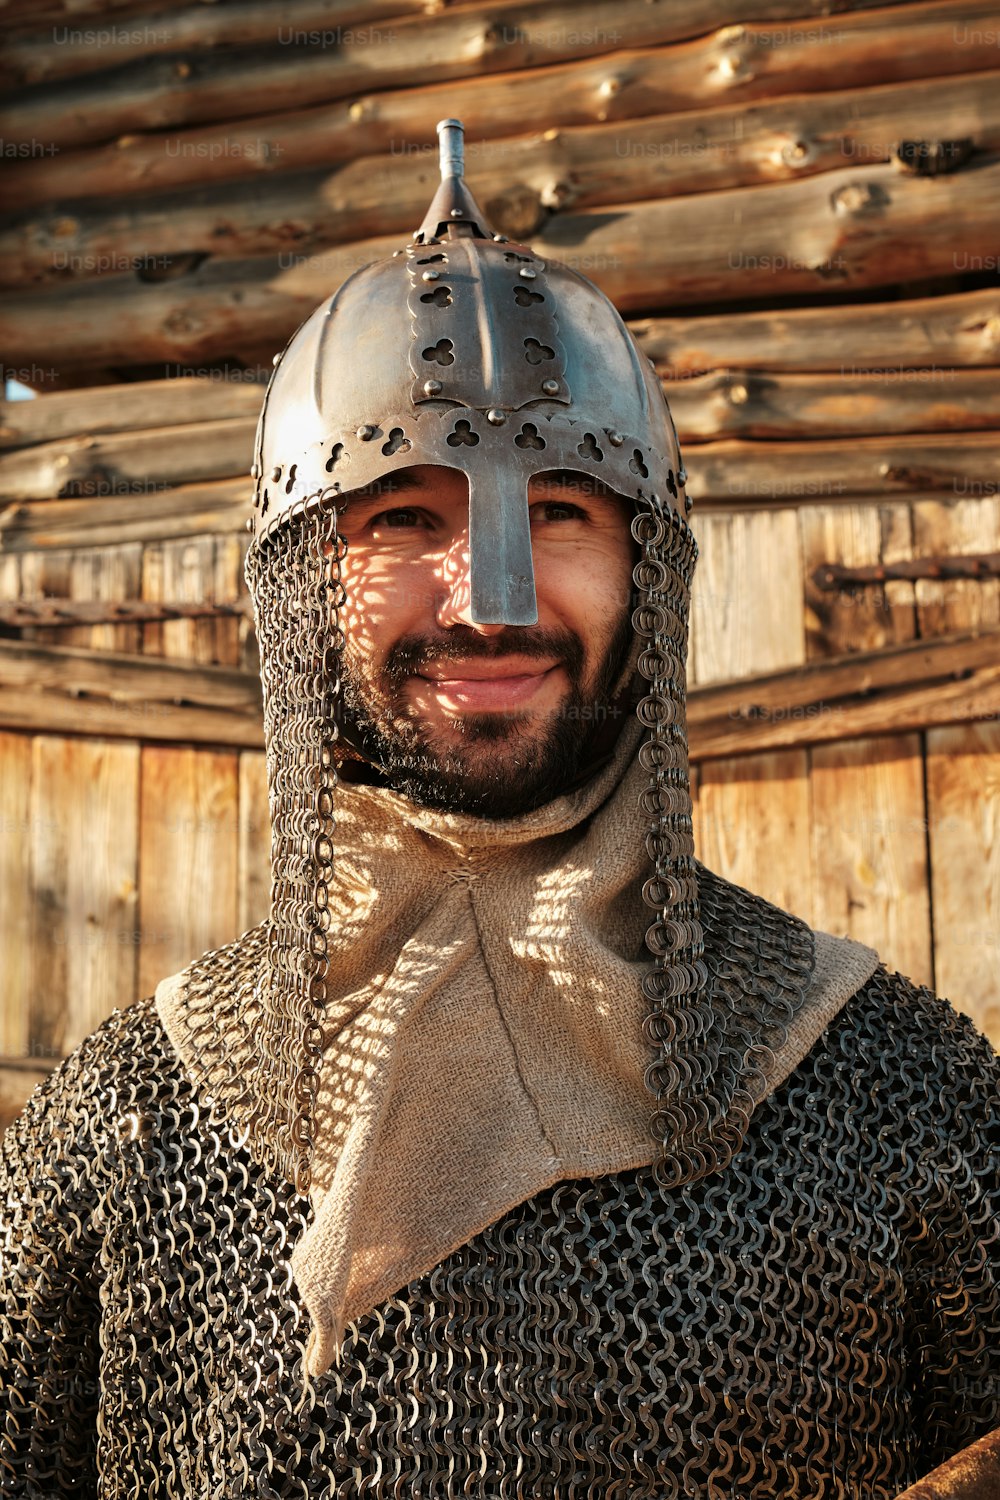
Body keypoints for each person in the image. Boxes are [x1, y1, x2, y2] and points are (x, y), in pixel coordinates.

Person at [1, 120, 997, 1500]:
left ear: (649, 568)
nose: (491, 599)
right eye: (403, 516)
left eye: (568, 513)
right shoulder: (126, 1131)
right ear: (294, 585)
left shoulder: (891, 1091)